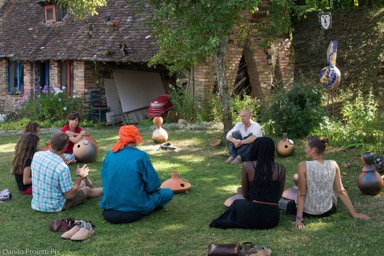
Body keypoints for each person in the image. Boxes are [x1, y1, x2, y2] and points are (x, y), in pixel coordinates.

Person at [289, 135, 370, 229]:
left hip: (307, 212)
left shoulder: (303, 165)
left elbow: (301, 194)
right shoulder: (333, 164)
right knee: (334, 194)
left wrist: (299, 219)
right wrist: (354, 213)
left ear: (313, 149)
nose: (305, 150)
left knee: (288, 204)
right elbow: (341, 191)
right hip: (328, 210)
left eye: (306, 148)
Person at [99, 125, 173, 224]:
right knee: (167, 192)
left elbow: (104, 178)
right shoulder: (141, 156)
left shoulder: (110, 154)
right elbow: (153, 185)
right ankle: (147, 207)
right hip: (136, 206)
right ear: (136, 138)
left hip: (111, 205)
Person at [210, 137, 286, 229]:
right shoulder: (281, 169)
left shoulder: (248, 166)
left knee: (237, 203)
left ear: (255, 149)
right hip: (272, 219)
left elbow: (245, 194)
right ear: (272, 150)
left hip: (251, 213)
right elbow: (278, 196)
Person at [31, 132, 102, 212]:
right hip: (55, 205)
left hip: (37, 203)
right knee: (86, 189)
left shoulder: (37, 155)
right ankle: (105, 190)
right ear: (65, 147)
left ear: (51, 143)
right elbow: (69, 196)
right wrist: (79, 178)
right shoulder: (62, 167)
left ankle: (86, 182)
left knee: (80, 184)